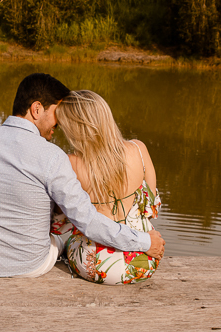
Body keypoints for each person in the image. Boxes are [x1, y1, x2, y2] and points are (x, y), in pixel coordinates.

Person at [0, 73, 165, 277]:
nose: (59, 124)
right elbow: (88, 220)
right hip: (33, 265)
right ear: (37, 109)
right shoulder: (53, 156)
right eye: (56, 113)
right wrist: (144, 242)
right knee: (62, 236)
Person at [50, 90, 161, 284]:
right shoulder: (139, 149)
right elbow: (152, 208)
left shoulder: (71, 163)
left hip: (95, 265)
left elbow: (58, 224)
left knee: (67, 241)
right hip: (144, 259)